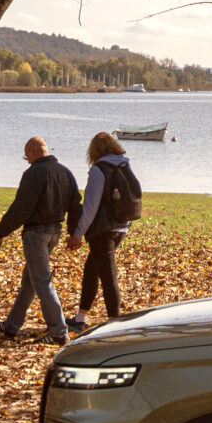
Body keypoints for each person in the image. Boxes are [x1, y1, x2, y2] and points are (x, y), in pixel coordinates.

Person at [0, 135, 81, 343]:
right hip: (55, 231)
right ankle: (12, 325)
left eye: (27, 156)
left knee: (41, 281)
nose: (28, 160)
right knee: (30, 279)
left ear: (32, 152)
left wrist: (1, 232)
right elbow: (75, 205)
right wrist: (74, 233)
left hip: (36, 233)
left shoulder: (33, 173)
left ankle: (58, 331)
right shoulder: (65, 172)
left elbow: (21, 207)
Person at [69, 131, 141, 332]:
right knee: (91, 270)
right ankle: (80, 318)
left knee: (108, 276)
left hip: (103, 230)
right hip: (121, 227)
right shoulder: (125, 165)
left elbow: (90, 208)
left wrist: (77, 234)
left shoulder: (98, 170)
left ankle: (115, 325)